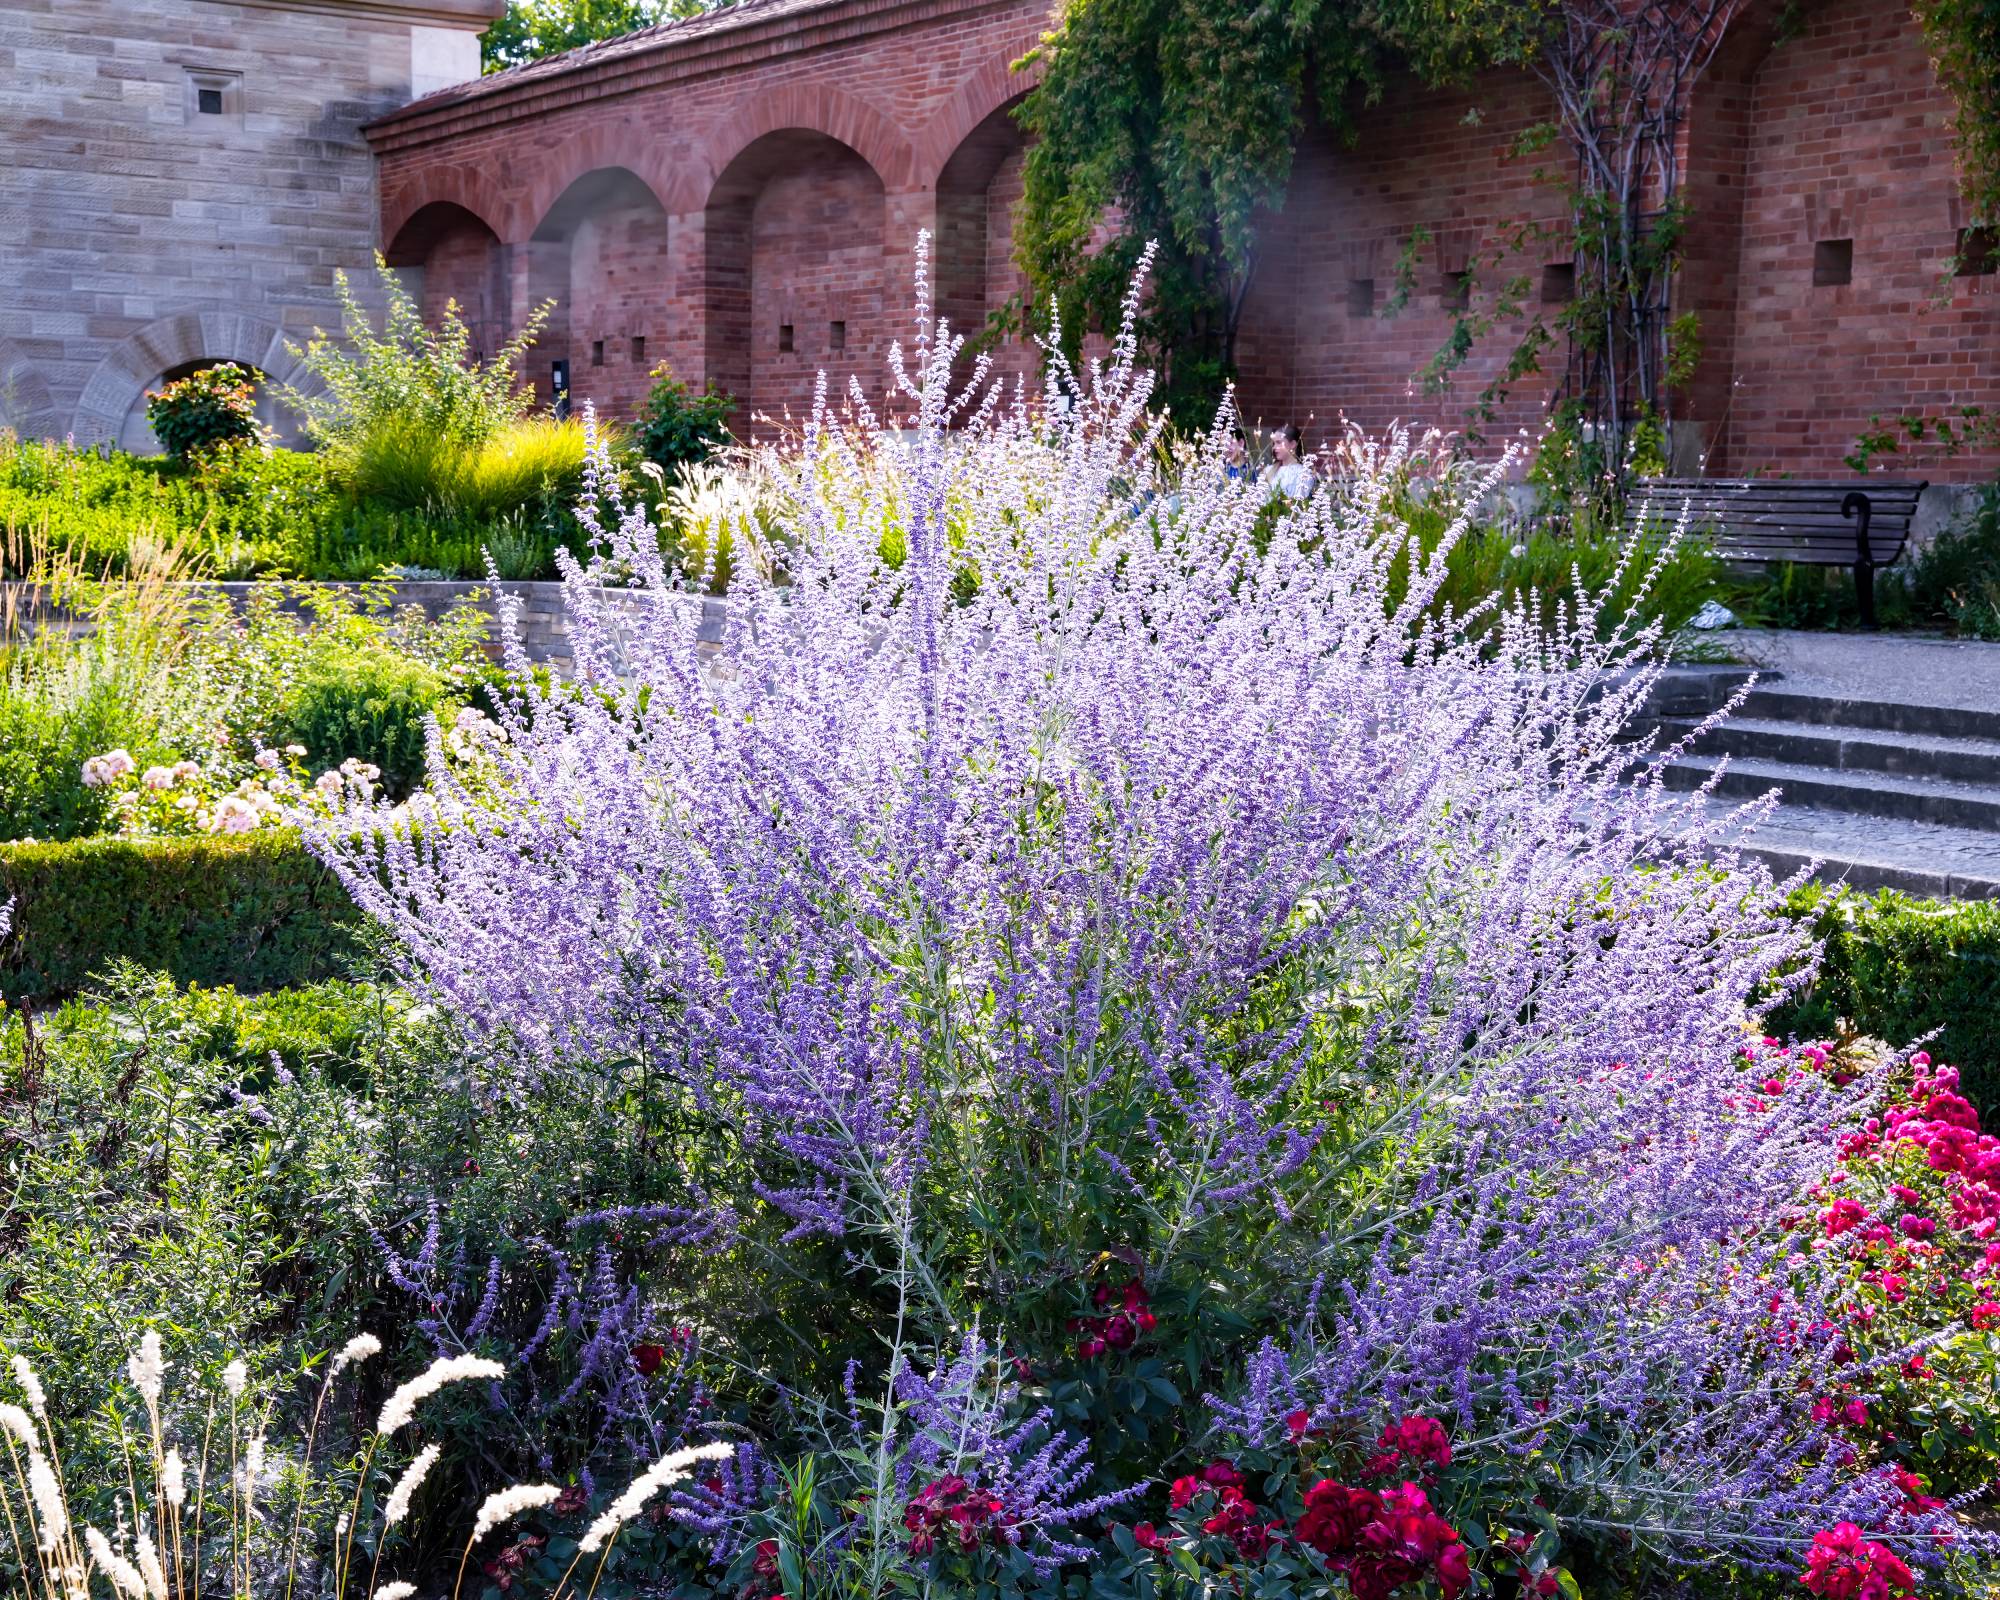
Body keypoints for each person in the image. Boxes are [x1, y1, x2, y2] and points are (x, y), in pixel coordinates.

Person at [1260, 423, 1315, 502]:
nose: (1274, 447)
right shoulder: (1268, 471)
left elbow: (1300, 502)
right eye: (1274, 443)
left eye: (1278, 442)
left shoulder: (1303, 473)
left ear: (1292, 444)